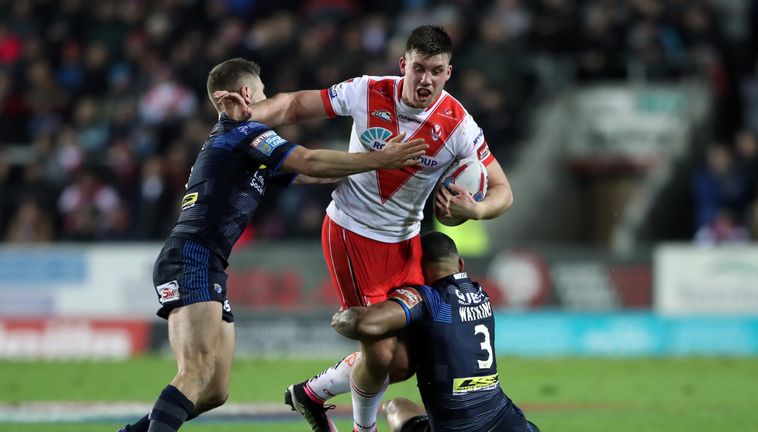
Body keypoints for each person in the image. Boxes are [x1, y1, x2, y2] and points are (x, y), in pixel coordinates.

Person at [217, 25, 514, 432]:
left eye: (436, 70)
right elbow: (293, 106)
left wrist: (476, 210)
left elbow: (503, 191)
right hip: (353, 233)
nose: (426, 79)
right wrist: (249, 115)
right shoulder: (368, 91)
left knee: (406, 363)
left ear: (449, 72)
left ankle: (312, 392)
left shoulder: (459, 124)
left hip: (407, 243)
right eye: (419, 68)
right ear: (403, 65)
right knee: (381, 350)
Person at [117, 57, 427, 432]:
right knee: (195, 373)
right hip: (191, 258)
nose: (266, 102)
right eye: (262, 93)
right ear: (247, 93)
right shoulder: (244, 133)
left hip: (209, 263)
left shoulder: (243, 147)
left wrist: (369, 171)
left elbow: (307, 175)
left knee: (214, 390)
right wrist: (380, 158)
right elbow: (310, 161)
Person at [332, 231, 539, 432]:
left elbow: (364, 324)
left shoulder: (431, 299)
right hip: (509, 421)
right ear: (460, 264)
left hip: (455, 428)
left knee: (395, 406)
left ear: (418, 269)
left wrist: (340, 318)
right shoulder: (480, 293)